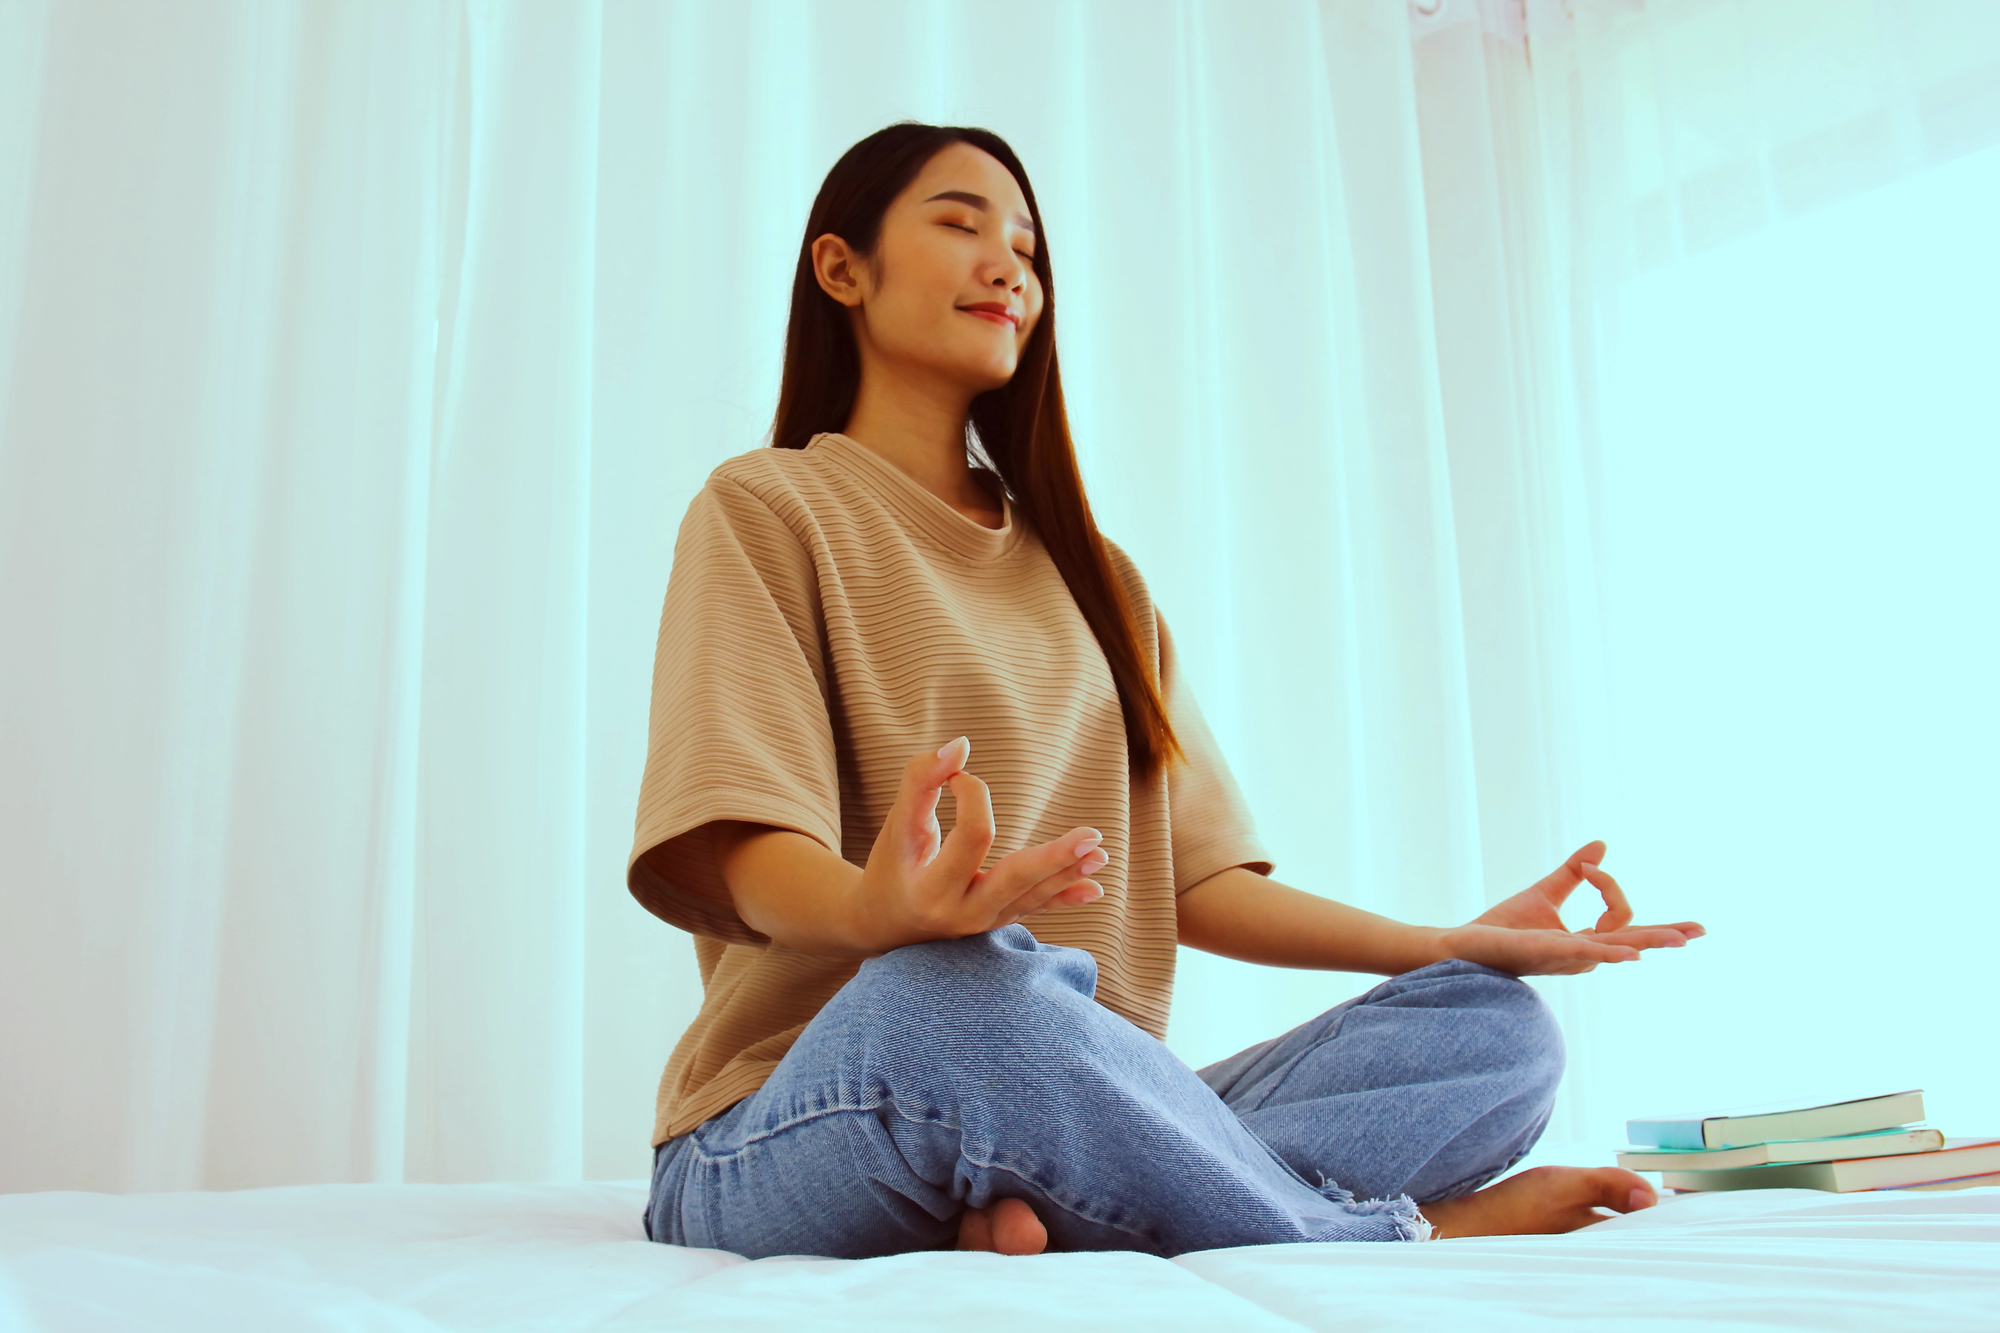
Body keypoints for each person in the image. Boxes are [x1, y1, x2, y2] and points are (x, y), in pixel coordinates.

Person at [627, 121, 1704, 1260]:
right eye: (959, 225)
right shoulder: (767, 507)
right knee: (956, 992)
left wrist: (1447, 942)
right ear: (841, 268)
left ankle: (1060, 1198)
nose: (1008, 266)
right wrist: (880, 915)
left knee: (1493, 1031)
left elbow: (1204, 884)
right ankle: (1387, 1233)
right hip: (793, 1121)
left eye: (1027, 250)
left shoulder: (1101, 579)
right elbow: (739, 849)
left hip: (1068, 1085)